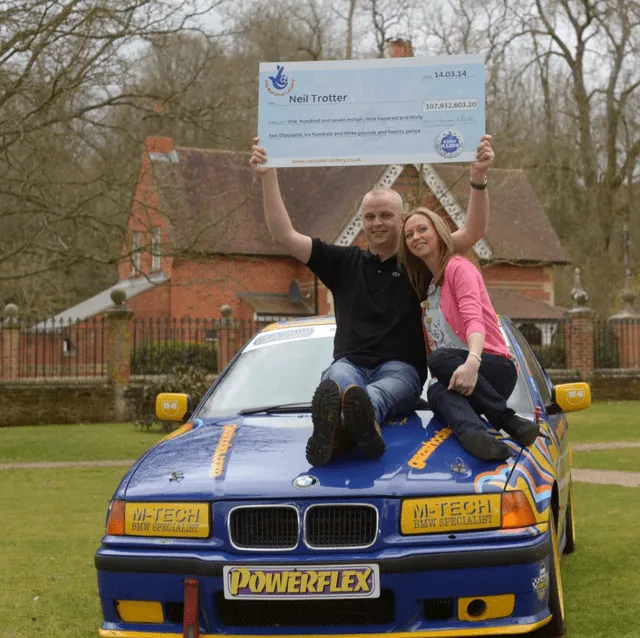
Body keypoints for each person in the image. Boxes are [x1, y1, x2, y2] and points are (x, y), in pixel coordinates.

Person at [249, 135, 494, 467]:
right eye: (369, 217)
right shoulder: (342, 262)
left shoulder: (420, 261)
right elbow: (285, 235)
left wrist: (478, 179)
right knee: (339, 384)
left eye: (386, 216)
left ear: (403, 219)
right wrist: (268, 176)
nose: (377, 223)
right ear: (360, 220)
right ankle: (349, 431)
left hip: (402, 370)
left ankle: (341, 431)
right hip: (349, 363)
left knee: (371, 396)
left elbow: (472, 232)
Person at [398, 208, 540, 460]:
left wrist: (473, 361)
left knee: (439, 360)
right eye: (409, 234)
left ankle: (507, 419)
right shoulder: (428, 287)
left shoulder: (459, 268)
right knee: (436, 392)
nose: (415, 237)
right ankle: (478, 438)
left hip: (489, 367)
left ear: (439, 233)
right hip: (456, 379)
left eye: (422, 229)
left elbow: (474, 318)